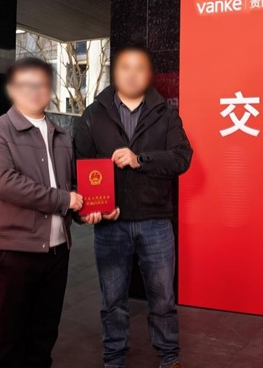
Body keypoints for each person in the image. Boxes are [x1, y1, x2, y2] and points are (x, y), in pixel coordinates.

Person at [0, 57, 102, 368]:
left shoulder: (62, 136)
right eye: (26, 84)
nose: (35, 90)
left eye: (42, 84)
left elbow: (71, 187)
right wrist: (65, 200)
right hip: (14, 250)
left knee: (45, 334)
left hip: (57, 251)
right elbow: (7, 184)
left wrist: (87, 211)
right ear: (12, 89)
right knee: (11, 337)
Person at [74, 44, 193, 368]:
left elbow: (182, 158)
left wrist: (140, 159)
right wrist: (85, 211)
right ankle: (114, 359)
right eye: (125, 66)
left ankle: (169, 358)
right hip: (110, 225)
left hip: (155, 221)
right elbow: (78, 167)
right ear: (115, 72)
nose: (131, 73)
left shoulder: (164, 114)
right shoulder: (93, 115)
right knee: (112, 301)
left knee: (163, 299)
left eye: (139, 67)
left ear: (148, 74)